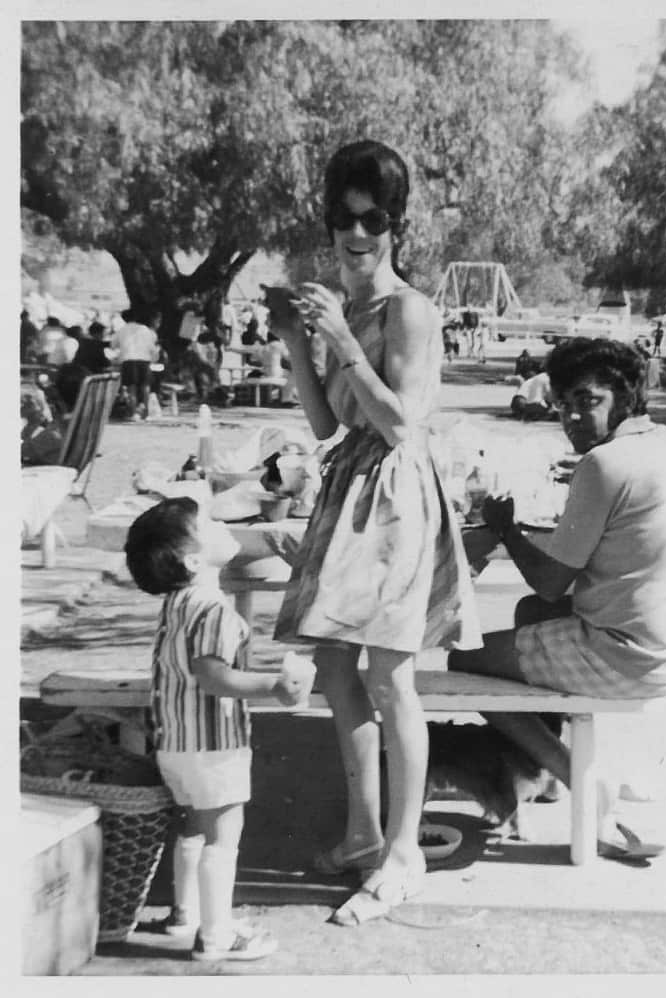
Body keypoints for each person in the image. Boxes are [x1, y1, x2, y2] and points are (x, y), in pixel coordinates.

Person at [269, 140, 482, 926]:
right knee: (334, 665)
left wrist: (344, 344)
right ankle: (363, 832)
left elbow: (401, 425)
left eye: (374, 219)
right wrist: (297, 340)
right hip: (346, 488)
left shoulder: (407, 310)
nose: (356, 234)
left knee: (391, 677)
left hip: (395, 496)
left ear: (397, 225)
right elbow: (328, 426)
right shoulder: (345, 309)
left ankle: (403, 850)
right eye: (343, 217)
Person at [450, 337, 666, 858]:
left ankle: (578, 779)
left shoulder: (603, 464)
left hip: (631, 655)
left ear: (625, 397)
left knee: (464, 660)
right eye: (563, 404)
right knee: (531, 615)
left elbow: (551, 581)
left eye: (587, 401)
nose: (571, 416)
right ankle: (545, 770)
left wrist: (505, 530)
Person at [123, 497, 307, 960]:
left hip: (175, 744)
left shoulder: (177, 604)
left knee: (194, 826)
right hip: (213, 745)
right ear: (192, 560)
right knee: (223, 837)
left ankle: (185, 915)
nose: (221, 522)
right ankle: (216, 936)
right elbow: (214, 676)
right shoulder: (214, 610)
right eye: (207, 522)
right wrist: (274, 686)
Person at [113, 308, 160, 417]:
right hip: (144, 361)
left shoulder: (121, 330)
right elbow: (152, 347)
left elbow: (113, 345)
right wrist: (154, 358)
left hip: (128, 360)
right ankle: (146, 412)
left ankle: (133, 413)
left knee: (131, 388)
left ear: (124, 319)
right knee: (145, 386)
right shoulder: (145, 329)